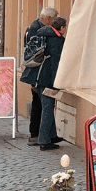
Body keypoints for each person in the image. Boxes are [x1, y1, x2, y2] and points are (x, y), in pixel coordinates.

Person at [23, 6, 58, 146]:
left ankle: (49, 134)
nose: (55, 21)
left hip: (37, 74)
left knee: (43, 104)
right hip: (38, 74)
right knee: (39, 104)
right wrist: (35, 81)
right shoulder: (37, 30)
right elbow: (36, 55)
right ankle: (35, 134)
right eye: (54, 18)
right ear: (48, 18)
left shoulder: (35, 27)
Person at [33, 16, 67, 150]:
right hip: (48, 79)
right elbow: (56, 64)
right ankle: (44, 141)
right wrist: (56, 85)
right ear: (61, 28)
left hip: (39, 77)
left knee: (47, 107)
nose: (66, 28)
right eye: (65, 26)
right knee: (47, 109)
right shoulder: (58, 41)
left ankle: (52, 135)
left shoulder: (43, 34)